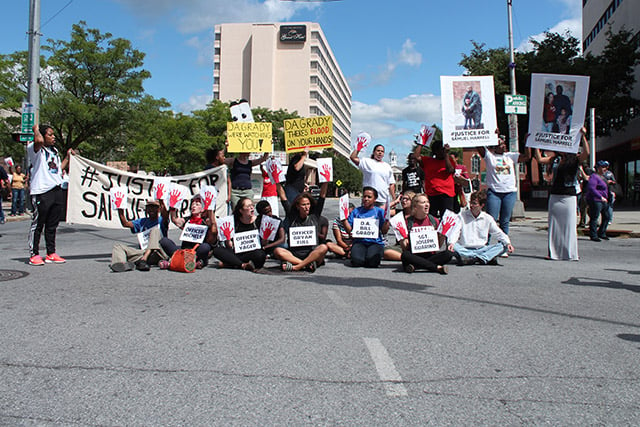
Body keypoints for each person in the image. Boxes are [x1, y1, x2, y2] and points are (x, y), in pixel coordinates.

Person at [534, 128, 590, 260]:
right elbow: (540, 159)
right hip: (555, 195)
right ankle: (553, 252)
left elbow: (586, 153)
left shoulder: (575, 159)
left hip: (569, 196)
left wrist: (583, 136)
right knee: (554, 224)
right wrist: (535, 144)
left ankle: (570, 252)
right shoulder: (555, 159)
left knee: (569, 225)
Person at [27, 124, 75, 266]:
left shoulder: (53, 151)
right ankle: (34, 254)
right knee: (38, 223)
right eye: (50, 134)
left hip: (56, 189)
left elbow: (58, 169)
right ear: (42, 135)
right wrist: (36, 129)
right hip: (42, 191)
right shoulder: (35, 148)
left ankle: (51, 252)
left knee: (52, 224)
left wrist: (67, 157)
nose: (53, 137)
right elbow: (39, 141)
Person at [476, 133, 531, 237]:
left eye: (504, 144)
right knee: (491, 220)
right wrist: (487, 133)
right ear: (495, 146)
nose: (504, 146)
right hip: (494, 192)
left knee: (504, 221)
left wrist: (527, 143)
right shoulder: (489, 156)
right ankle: (485, 245)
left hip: (509, 193)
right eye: (501, 144)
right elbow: (479, 146)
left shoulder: (510, 156)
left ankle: (503, 246)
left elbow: (527, 157)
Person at [274, 182, 329, 272]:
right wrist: (277, 182)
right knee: (278, 251)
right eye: (303, 205)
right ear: (298, 206)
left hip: (311, 253)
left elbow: (322, 196)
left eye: (308, 204)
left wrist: (326, 181)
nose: (306, 207)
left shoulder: (314, 216)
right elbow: (283, 198)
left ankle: (296, 266)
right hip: (294, 254)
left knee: (323, 247)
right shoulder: (292, 217)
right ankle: (305, 264)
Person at [448, 190, 514, 265]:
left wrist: (508, 243)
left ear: (482, 205)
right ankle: (485, 257)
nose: (471, 206)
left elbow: (498, 232)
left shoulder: (487, 218)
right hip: (465, 248)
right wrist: (452, 242)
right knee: (454, 247)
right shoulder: (462, 216)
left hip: (482, 248)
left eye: (474, 203)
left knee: (503, 246)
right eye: (471, 203)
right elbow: (455, 231)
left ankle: (476, 258)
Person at [110, 199, 170, 272]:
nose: (151, 209)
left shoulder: (161, 220)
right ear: (146, 209)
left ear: (159, 209)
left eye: (154, 207)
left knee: (154, 230)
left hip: (158, 253)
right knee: (118, 246)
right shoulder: (142, 221)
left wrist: (161, 201)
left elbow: (165, 216)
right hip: (143, 252)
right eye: (149, 207)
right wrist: (120, 208)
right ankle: (120, 264)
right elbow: (125, 224)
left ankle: (144, 260)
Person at [159, 195, 217, 269]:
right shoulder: (188, 220)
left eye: (197, 204)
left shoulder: (205, 221)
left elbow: (213, 224)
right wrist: (173, 206)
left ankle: (175, 262)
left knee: (205, 247)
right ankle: (190, 262)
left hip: (197, 251)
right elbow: (175, 220)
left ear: (202, 209)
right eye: (192, 204)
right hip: (184, 250)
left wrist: (210, 208)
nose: (193, 206)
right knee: (164, 241)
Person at [399, 194, 452, 274]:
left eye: (427, 202)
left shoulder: (434, 221)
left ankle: (416, 266)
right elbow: (405, 248)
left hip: (430, 254)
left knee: (448, 254)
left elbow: (438, 246)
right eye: (423, 202)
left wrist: (442, 236)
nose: (427, 204)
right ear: (415, 207)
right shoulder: (407, 222)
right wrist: (403, 240)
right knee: (405, 255)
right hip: (415, 255)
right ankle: (436, 267)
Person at [213, 197, 267, 271]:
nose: (251, 208)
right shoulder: (233, 221)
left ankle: (231, 264)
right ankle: (242, 265)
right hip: (237, 253)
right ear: (241, 210)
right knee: (217, 251)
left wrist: (266, 237)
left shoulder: (258, 221)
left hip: (253, 252)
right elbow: (229, 246)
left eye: (252, 205)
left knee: (260, 255)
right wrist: (228, 239)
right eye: (248, 206)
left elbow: (263, 244)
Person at [340, 187, 390, 268]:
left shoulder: (379, 212)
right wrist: (344, 220)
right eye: (364, 196)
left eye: (369, 197)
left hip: (375, 243)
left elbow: (384, 231)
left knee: (372, 262)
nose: (366, 199)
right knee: (357, 262)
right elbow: (350, 231)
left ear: (375, 199)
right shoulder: (356, 211)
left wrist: (386, 221)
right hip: (359, 242)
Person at [414, 139, 456, 219]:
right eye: (441, 150)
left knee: (447, 219)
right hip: (432, 194)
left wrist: (447, 155)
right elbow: (416, 156)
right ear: (435, 151)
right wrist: (421, 143)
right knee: (431, 218)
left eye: (443, 150)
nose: (442, 152)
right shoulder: (428, 161)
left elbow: (450, 170)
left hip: (446, 194)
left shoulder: (449, 161)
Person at [350, 144, 396, 209]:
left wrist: (394, 199)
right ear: (374, 152)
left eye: (382, 151)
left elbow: (391, 184)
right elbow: (353, 158)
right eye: (378, 151)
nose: (380, 152)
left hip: (383, 200)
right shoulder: (367, 162)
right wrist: (358, 148)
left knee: (382, 218)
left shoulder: (387, 166)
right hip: (369, 200)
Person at [585, 160, 611, 242]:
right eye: (603, 167)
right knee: (594, 217)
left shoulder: (603, 177)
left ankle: (602, 232)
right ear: (598, 168)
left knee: (607, 216)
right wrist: (600, 196)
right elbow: (591, 188)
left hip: (604, 200)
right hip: (596, 200)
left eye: (606, 167)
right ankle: (593, 235)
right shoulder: (594, 177)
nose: (605, 169)